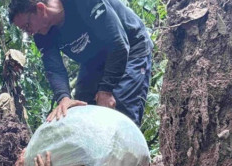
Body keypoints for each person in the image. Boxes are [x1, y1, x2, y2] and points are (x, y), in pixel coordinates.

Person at [9, 0, 154, 125]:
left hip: (131, 47)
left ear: (40, 8)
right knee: (82, 111)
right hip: (94, 61)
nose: (29, 33)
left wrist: (106, 89)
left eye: (27, 26)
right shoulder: (42, 34)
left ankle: (126, 154)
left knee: (120, 110)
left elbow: (118, 44)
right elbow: (54, 69)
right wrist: (64, 98)